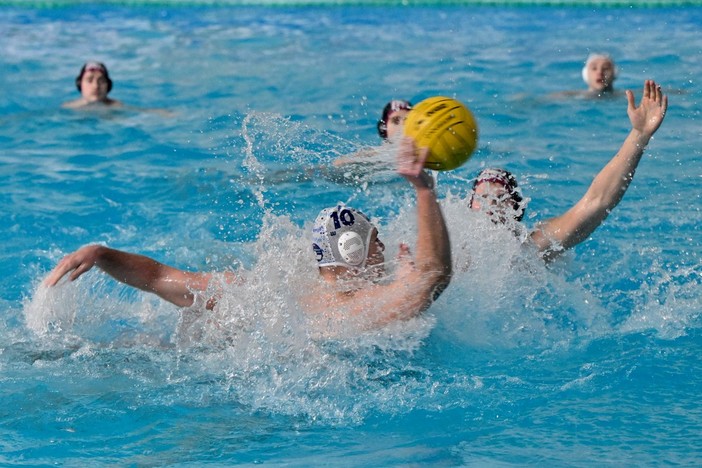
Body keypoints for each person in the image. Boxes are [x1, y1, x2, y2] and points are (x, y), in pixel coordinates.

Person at [44, 137, 452, 330]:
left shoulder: (269, 293)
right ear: (353, 249)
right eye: (376, 242)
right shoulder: (365, 308)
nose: (383, 250)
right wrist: (423, 189)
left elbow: (157, 277)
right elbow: (434, 274)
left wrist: (100, 253)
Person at [470, 79, 667, 262]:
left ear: (516, 209)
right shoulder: (454, 252)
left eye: (500, 197)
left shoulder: (533, 249)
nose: (492, 204)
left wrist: (639, 135)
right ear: (469, 207)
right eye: (483, 198)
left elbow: (597, 202)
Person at [332, 99, 412, 167]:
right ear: (383, 129)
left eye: (408, 120)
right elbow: (338, 163)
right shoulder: (377, 153)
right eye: (396, 121)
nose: (403, 125)